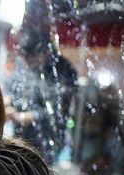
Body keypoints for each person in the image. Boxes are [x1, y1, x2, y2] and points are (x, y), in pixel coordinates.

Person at [6, 27, 78, 164]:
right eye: (24, 59)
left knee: (39, 173)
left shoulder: (62, 70)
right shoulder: (24, 66)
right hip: (21, 136)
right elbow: (15, 91)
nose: (27, 64)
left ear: (45, 52)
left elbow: (62, 111)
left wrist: (28, 116)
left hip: (48, 139)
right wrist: (7, 104)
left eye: (31, 59)